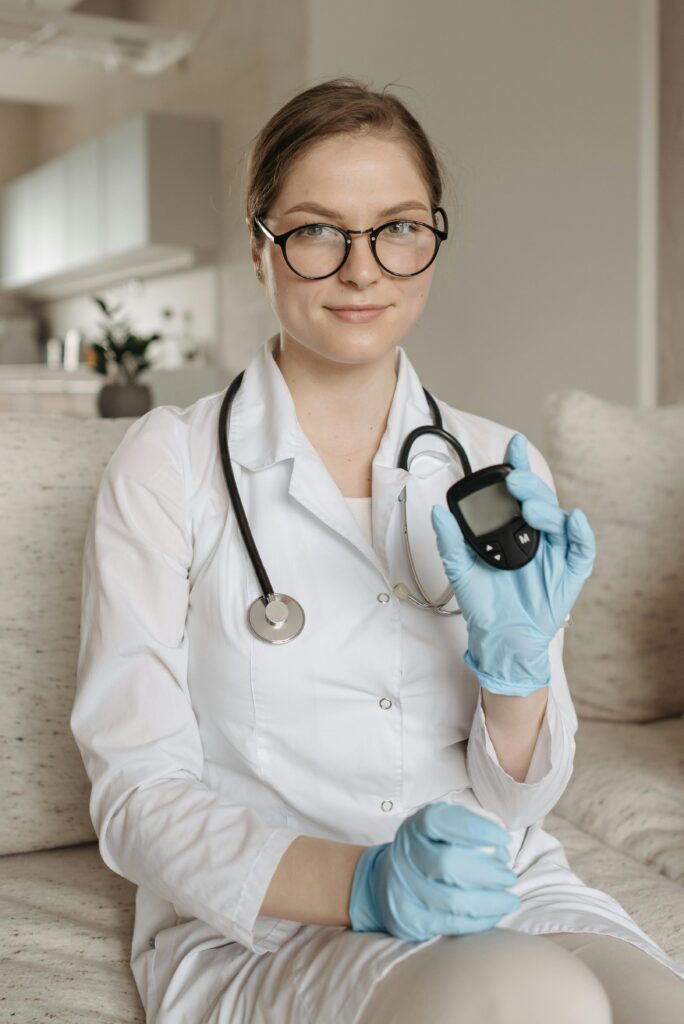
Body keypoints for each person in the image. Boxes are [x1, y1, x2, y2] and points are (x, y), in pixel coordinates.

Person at [71, 77, 684, 1024]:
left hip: (502, 884)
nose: (364, 271)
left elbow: (519, 807)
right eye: (318, 231)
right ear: (260, 247)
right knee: (537, 997)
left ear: (432, 239)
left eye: (398, 228)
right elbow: (137, 795)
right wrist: (364, 886)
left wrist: (516, 673)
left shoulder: (491, 462)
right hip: (268, 922)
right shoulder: (169, 463)